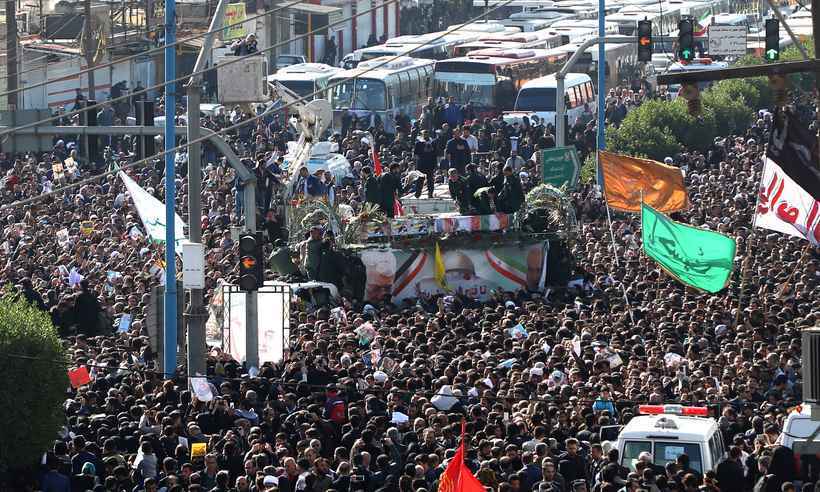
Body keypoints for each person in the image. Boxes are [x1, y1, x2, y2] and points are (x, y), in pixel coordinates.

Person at [413, 129, 438, 198]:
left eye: (427, 134)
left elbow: (435, 154)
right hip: (421, 165)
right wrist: (416, 165)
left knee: (430, 180)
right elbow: (415, 155)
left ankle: (430, 193)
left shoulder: (432, 143)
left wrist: (435, 165)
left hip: (430, 164)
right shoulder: (418, 143)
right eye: (424, 134)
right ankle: (418, 193)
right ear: (422, 135)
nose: (426, 135)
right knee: (420, 180)